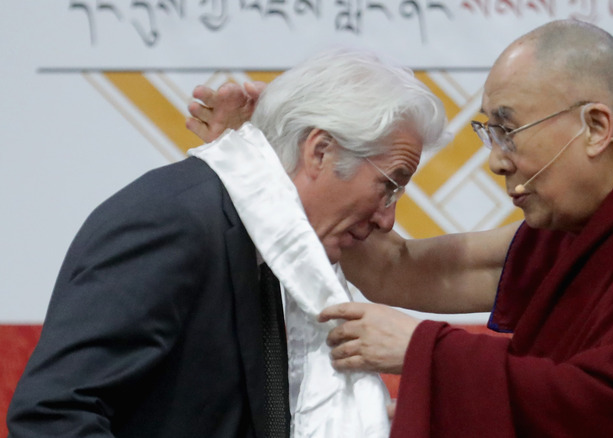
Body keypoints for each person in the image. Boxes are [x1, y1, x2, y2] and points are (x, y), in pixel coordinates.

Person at [187, 19, 613, 437]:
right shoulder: (566, 235)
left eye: (508, 129)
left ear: (596, 127)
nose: (496, 159)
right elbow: (399, 268)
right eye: (489, 134)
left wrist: (421, 351)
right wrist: (269, 159)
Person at [6, 48, 448, 438]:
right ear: (320, 151)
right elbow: (53, 414)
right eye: (389, 185)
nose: (388, 219)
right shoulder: (172, 221)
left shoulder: (279, 250)